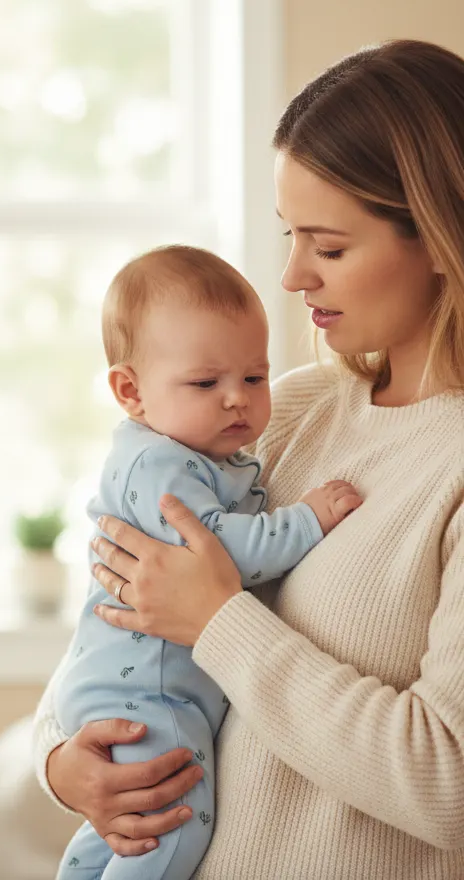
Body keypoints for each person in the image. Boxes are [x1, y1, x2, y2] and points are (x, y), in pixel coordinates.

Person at [32, 38, 464, 879]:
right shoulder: (281, 411)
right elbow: (117, 626)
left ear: (442, 237)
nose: (293, 274)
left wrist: (221, 622)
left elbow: (448, 782)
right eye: (289, 235)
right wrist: (63, 762)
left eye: (329, 247)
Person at [53, 245, 361, 880]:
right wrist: (307, 518)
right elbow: (220, 557)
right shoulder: (160, 465)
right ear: (130, 391)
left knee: (112, 842)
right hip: (150, 694)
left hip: (135, 685)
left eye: (253, 377)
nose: (237, 401)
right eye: (205, 383)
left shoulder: (197, 450)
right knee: (172, 826)